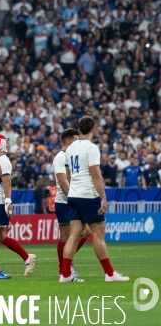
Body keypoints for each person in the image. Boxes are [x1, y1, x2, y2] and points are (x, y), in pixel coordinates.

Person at [61, 116, 129, 282]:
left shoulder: (69, 149)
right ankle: (110, 274)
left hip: (73, 195)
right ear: (93, 130)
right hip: (87, 195)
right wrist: (103, 198)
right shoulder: (91, 148)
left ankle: (65, 274)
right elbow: (96, 175)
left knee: (74, 235)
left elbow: (68, 175)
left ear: (78, 129)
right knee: (98, 233)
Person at [0, 135, 37, 277]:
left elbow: (7, 182)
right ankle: (27, 257)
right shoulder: (1, 160)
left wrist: (8, 201)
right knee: (1, 236)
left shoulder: (2, 160)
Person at [54, 128, 91, 277]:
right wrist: (73, 200)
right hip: (65, 201)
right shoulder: (60, 157)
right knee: (66, 235)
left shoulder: (71, 156)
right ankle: (64, 268)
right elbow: (63, 182)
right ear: (69, 141)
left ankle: (65, 263)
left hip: (73, 199)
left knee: (86, 232)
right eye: (76, 140)